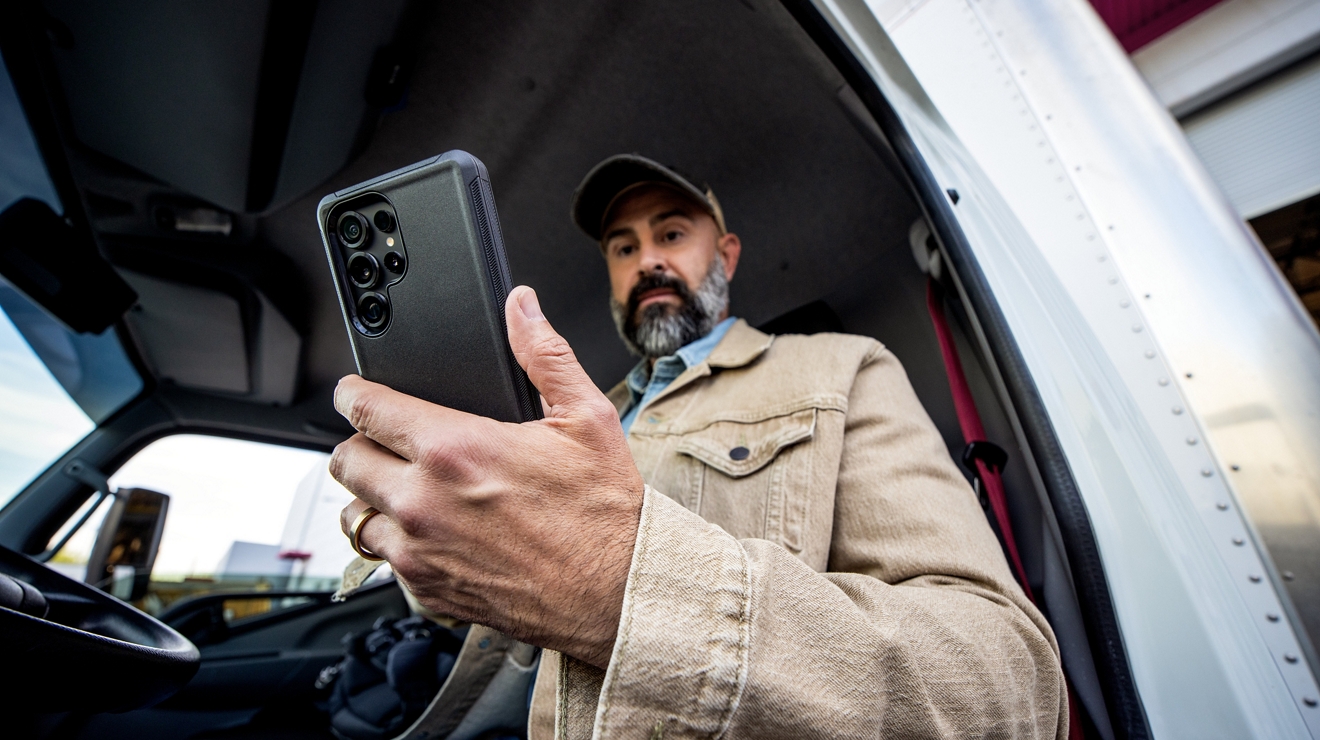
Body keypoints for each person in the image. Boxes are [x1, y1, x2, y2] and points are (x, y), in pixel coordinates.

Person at [333, 154, 1067, 738]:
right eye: (624, 246)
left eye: (672, 233)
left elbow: (1008, 687)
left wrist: (615, 582)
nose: (646, 259)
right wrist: (426, 538)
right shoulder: (568, 415)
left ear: (729, 253)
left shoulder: (842, 369)